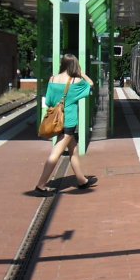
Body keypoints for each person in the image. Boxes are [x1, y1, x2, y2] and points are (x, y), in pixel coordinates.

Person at [33, 54, 97, 194]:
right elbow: (91, 85)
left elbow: (49, 101)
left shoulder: (52, 79)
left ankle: (81, 180)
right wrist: (83, 74)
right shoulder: (76, 81)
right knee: (56, 152)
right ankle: (41, 184)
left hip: (56, 121)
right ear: (75, 66)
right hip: (69, 121)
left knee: (73, 149)